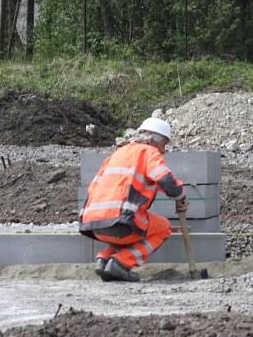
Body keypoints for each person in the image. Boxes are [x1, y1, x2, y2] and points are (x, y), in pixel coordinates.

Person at [79, 117, 189, 282]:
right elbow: (165, 180)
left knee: (130, 230)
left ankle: (103, 259)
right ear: (152, 140)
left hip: (93, 224)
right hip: (119, 224)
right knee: (163, 228)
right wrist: (180, 196)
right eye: (163, 145)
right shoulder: (148, 152)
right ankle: (121, 263)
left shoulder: (118, 153)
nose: (164, 151)